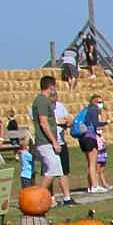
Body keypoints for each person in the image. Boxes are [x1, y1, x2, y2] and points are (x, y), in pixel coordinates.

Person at [29, 76, 74, 205]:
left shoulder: (44, 101)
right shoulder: (42, 101)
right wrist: (54, 141)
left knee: (57, 170)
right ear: (51, 87)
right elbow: (44, 123)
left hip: (48, 141)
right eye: (55, 87)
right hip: (45, 142)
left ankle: (49, 199)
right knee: (53, 169)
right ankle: (37, 199)